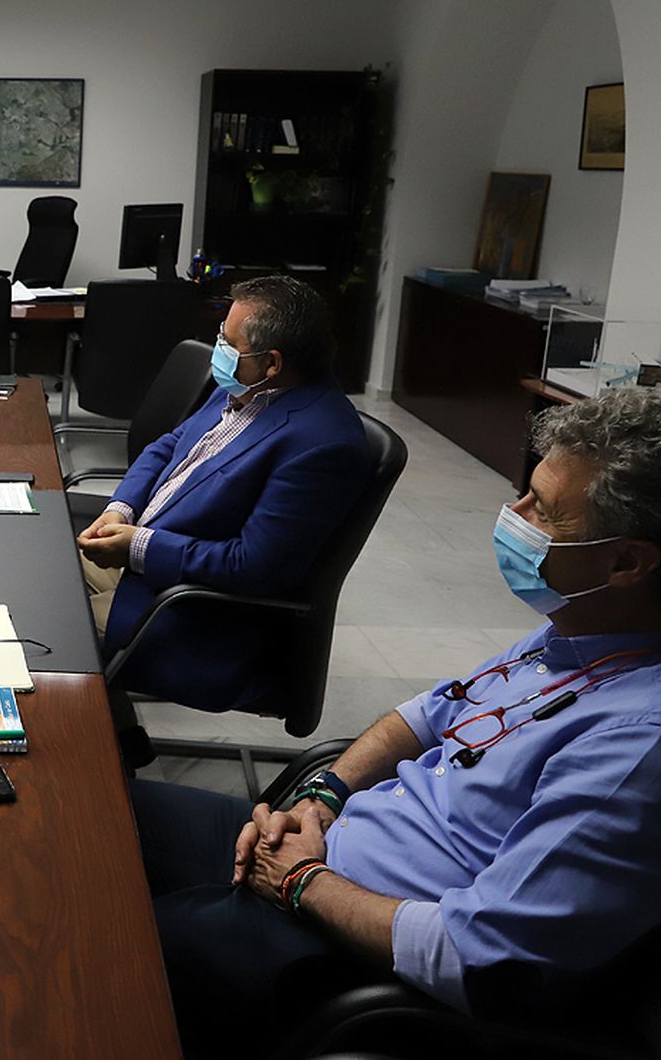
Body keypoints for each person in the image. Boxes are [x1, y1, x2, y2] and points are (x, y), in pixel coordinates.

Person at [134, 387, 661, 1057]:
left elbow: (480, 956)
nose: (515, 515)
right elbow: (427, 714)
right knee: (99, 814)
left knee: (106, 939)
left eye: (545, 510)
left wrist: (303, 882)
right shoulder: (579, 631)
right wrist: (322, 798)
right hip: (322, 846)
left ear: (626, 562)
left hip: (344, 945)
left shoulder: (636, 746)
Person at [77, 275, 370, 711]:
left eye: (228, 343)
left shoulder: (323, 444)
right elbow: (168, 445)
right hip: (148, 563)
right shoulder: (247, 387)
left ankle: (102, 740)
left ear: (272, 363)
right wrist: (121, 508)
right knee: (34, 564)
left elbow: (250, 567)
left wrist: (138, 547)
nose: (218, 348)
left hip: (192, 614)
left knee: (45, 626)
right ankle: (113, 724)